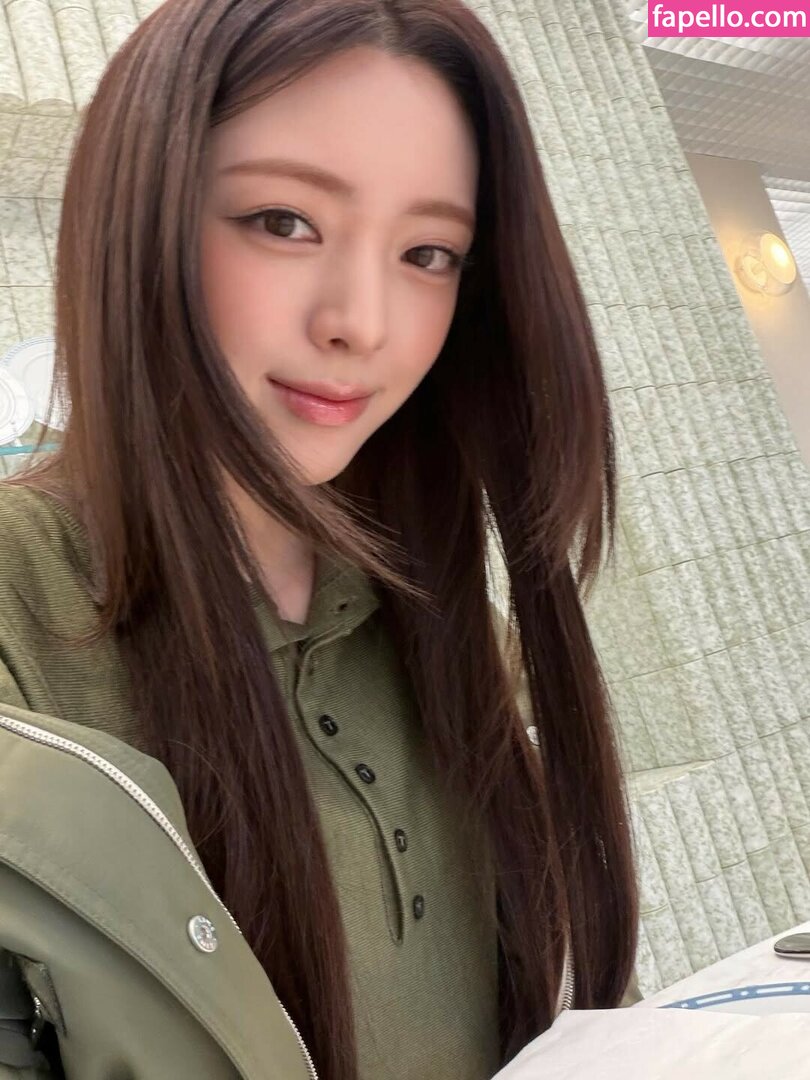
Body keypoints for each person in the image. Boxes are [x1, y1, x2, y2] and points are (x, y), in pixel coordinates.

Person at [0, 0, 639, 1077]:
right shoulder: (23, 612)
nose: (363, 322)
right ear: (137, 218)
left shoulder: (440, 619)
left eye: (429, 252)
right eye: (285, 221)